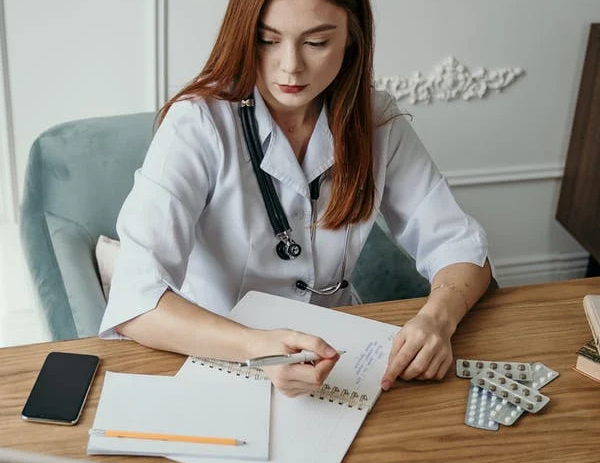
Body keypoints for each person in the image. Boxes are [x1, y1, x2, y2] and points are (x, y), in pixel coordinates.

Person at [99, 0, 492, 397]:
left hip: (341, 352)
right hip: (218, 350)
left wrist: (437, 319)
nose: (290, 66)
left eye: (316, 43)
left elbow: (459, 246)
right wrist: (257, 347)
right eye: (268, 40)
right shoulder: (198, 124)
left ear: (351, 39)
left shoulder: (375, 119)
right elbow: (136, 300)